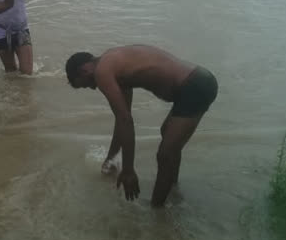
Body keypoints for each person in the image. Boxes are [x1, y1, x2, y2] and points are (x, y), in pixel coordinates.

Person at [64, 45, 218, 206]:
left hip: (194, 86)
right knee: (167, 136)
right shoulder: (113, 65)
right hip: (196, 82)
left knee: (165, 154)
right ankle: (173, 191)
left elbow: (125, 121)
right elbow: (122, 120)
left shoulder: (102, 71)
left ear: (84, 70)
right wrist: (112, 159)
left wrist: (128, 170)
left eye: (86, 84)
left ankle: (157, 214)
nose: (93, 87)